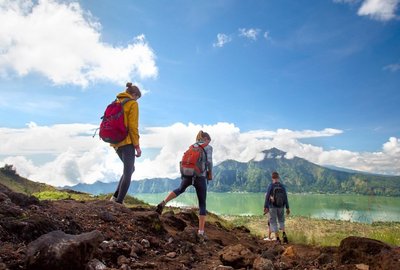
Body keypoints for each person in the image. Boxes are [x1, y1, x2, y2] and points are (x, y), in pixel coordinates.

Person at [156, 130, 213, 238]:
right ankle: (201, 232)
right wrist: (210, 174)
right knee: (202, 203)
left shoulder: (192, 146)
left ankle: (163, 202)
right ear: (206, 139)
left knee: (180, 189)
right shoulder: (208, 147)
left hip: (188, 174)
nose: (209, 143)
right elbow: (209, 162)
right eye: (208, 141)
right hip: (200, 176)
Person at [109, 82, 142, 204]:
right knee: (128, 172)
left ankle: (114, 197)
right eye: (137, 97)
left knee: (130, 169)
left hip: (115, 142)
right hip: (127, 142)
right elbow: (133, 126)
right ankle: (119, 202)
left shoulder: (116, 102)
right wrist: (137, 146)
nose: (137, 100)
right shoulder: (132, 103)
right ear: (134, 94)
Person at [263, 171, 290, 244]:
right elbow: (285, 197)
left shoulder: (271, 186)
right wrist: (287, 207)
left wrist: (265, 206)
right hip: (281, 207)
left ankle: (278, 239)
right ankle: (285, 237)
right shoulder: (282, 186)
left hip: (272, 207)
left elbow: (267, 196)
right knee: (281, 221)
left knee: (273, 222)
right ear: (278, 177)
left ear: (272, 178)